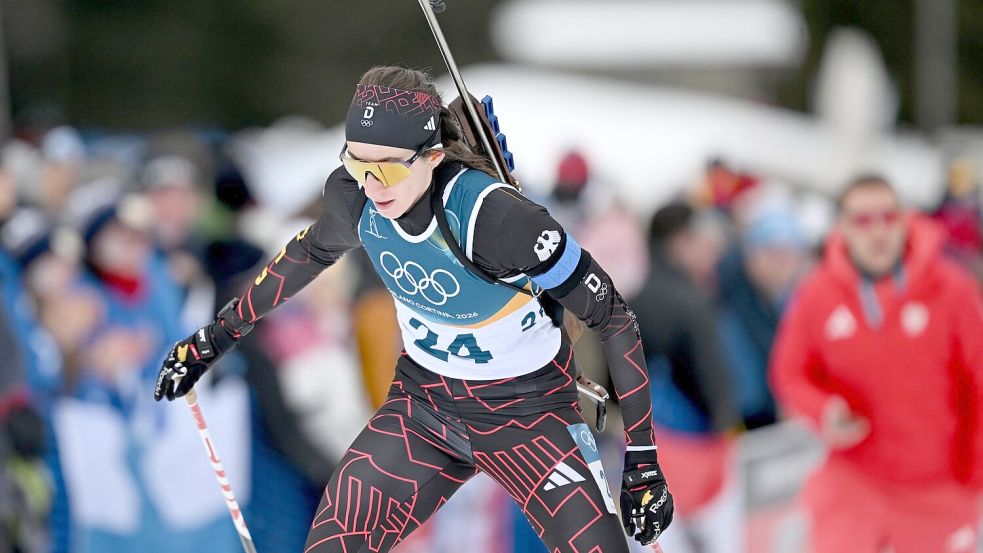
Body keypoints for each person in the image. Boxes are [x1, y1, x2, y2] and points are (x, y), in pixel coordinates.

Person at [154, 65, 674, 552]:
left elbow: (614, 318)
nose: (370, 184)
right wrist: (214, 338)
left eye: (385, 168)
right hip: (425, 407)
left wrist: (643, 459)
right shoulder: (356, 200)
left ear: (432, 155)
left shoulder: (497, 219)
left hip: (528, 416)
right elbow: (307, 255)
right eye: (356, 162)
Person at [770, 174, 983, 553]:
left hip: (938, 486)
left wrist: (975, 473)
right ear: (843, 229)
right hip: (854, 479)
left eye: (888, 217)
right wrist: (823, 411)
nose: (878, 232)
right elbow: (788, 372)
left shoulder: (953, 290)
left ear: (904, 221)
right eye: (863, 220)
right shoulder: (817, 293)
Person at [633, 202, 742, 553]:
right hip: (695, 447)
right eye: (698, 239)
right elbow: (715, 382)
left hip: (647, 446)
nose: (707, 249)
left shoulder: (632, 297)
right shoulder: (690, 300)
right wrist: (727, 422)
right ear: (679, 242)